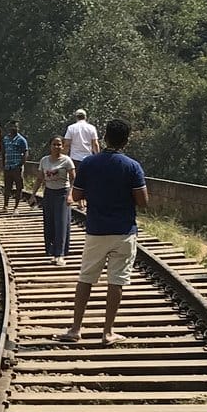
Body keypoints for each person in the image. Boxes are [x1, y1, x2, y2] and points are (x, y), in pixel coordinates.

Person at [59, 118, 148, 344]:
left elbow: (77, 195)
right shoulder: (132, 166)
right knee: (116, 281)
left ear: (105, 137)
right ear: (126, 141)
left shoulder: (89, 163)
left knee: (86, 279)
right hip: (124, 231)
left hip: (96, 229)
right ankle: (108, 332)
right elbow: (143, 201)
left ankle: (75, 329)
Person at [37, 136, 75, 263]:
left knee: (61, 223)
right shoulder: (44, 160)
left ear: (63, 147)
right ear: (50, 146)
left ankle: (60, 254)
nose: (57, 147)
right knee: (49, 223)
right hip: (49, 193)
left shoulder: (67, 161)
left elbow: (74, 179)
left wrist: (71, 195)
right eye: (54, 144)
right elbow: (39, 178)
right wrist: (33, 194)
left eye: (59, 145)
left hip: (62, 193)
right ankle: (50, 250)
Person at [2, 122, 30, 211]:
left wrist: (21, 164)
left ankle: (16, 207)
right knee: (7, 187)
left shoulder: (21, 140)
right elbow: (3, 152)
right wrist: (3, 164)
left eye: (16, 126)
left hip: (16, 167)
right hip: (7, 167)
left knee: (18, 187)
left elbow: (26, 152)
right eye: (12, 126)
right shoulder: (6, 139)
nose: (13, 128)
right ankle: (5, 206)